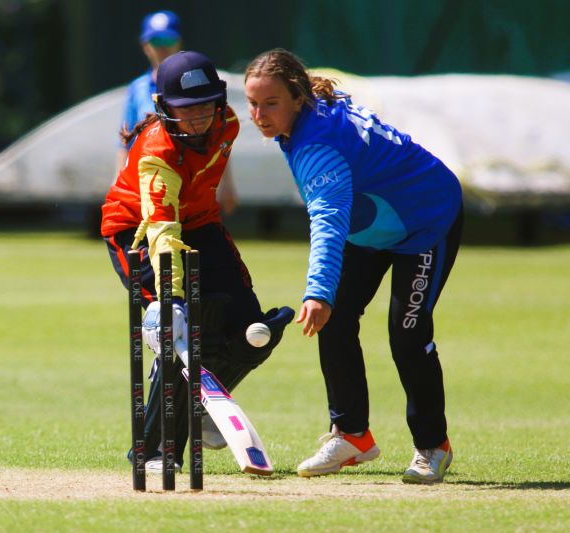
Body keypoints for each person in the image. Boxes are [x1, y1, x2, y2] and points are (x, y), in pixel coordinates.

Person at [244, 48, 463, 484]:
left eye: (270, 103)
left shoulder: (317, 146)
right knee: (336, 320)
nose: (259, 115)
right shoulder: (309, 117)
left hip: (425, 221)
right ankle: (352, 435)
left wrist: (318, 292)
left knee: (407, 334)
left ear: (298, 98)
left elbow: (328, 222)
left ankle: (433, 446)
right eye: (252, 103)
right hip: (371, 226)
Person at [102, 50, 294, 472]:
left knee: (254, 331)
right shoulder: (157, 152)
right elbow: (162, 231)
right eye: (185, 109)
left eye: (205, 106)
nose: (197, 118)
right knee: (179, 332)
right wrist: (170, 300)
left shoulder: (228, 124)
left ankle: (205, 405)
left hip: (200, 223)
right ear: (164, 107)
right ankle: (153, 450)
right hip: (137, 231)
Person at [116, 10, 238, 215]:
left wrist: (227, 183)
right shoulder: (137, 88)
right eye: (156, 41)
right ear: (145, 46)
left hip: (191, 180)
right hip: (148, 181)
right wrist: (118, 182)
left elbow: (217, 136)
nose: (162, 47)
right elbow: (125, 141)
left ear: (179, 42)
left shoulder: (198, 82)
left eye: (168, 39)